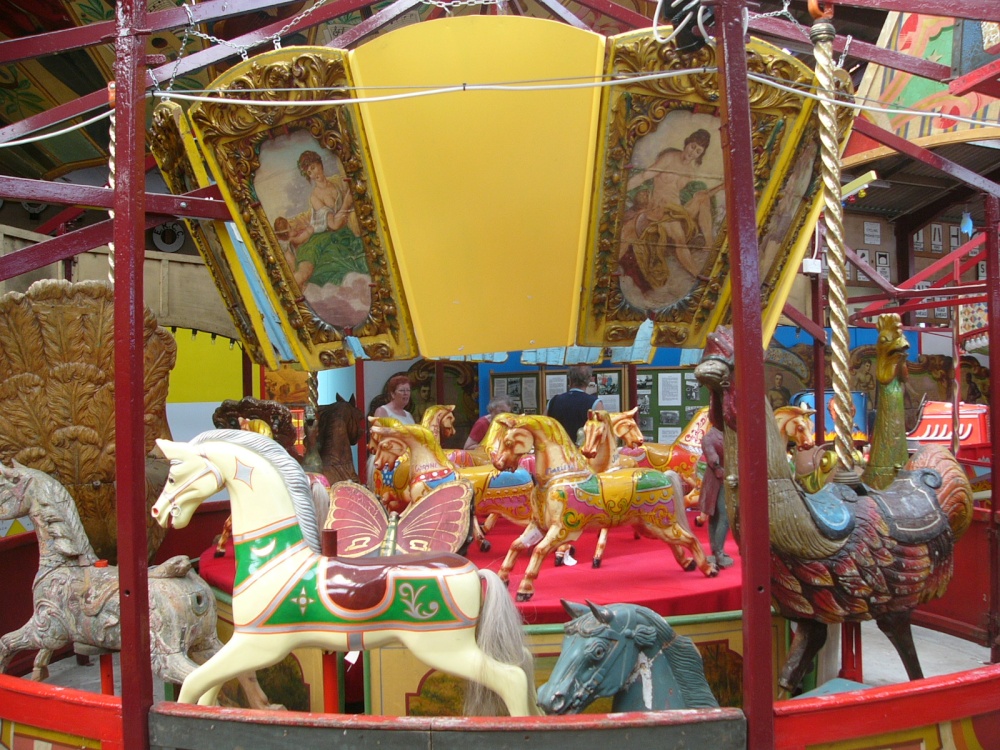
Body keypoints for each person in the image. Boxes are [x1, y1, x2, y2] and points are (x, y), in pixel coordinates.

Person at [620, 128, 722, 285]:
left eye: (698, 151)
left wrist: (721, 187)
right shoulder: (669, 158)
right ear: (687, 143)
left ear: (700, 155)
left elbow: (685, 195)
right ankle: (698, 275)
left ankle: (709, 246)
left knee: (701, 198)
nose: (692, 152)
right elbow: (643, 176)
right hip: (660, 208)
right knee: (677, 237)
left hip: (677, 209)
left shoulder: (690, 171)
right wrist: (621, 191)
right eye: (692, 147)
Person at [287, 150, 368, 290]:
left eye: (313, 168)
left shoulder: (336, 181)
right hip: (321, 239)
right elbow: (334, 225)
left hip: (342, 234)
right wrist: (346, 203)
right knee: (305, 272)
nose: (313, 174)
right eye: (309, 173)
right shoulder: (315, 196)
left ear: (320, 164)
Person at [698, 425, 733, 568]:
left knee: (717, 515)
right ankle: (718, 552)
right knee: (723, 516)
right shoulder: (709, 438)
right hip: (717, 479)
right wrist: (726, 473)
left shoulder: (725, 433)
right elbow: (714, 461)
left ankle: (717, 550)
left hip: (723, 477)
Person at [546, 365, 604, 444]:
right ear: (588, 381)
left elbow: (544, 427)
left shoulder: (553, 401)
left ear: (570, 380)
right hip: (584, 450)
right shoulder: (596, 403)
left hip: (558, 449)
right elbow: (601, 432)